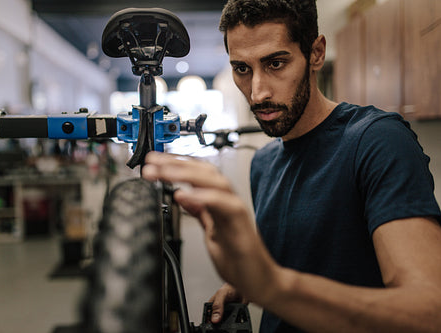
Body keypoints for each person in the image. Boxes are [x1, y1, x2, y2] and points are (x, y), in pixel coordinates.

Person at [142, 0, 441, 331]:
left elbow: (427, 312)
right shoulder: (264, 164)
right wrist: (248, 285)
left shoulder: (377, 141)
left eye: (275, 63)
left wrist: (272, 286)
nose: (257, 93)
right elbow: (300, 267)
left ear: (316, 53)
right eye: (242, 68)